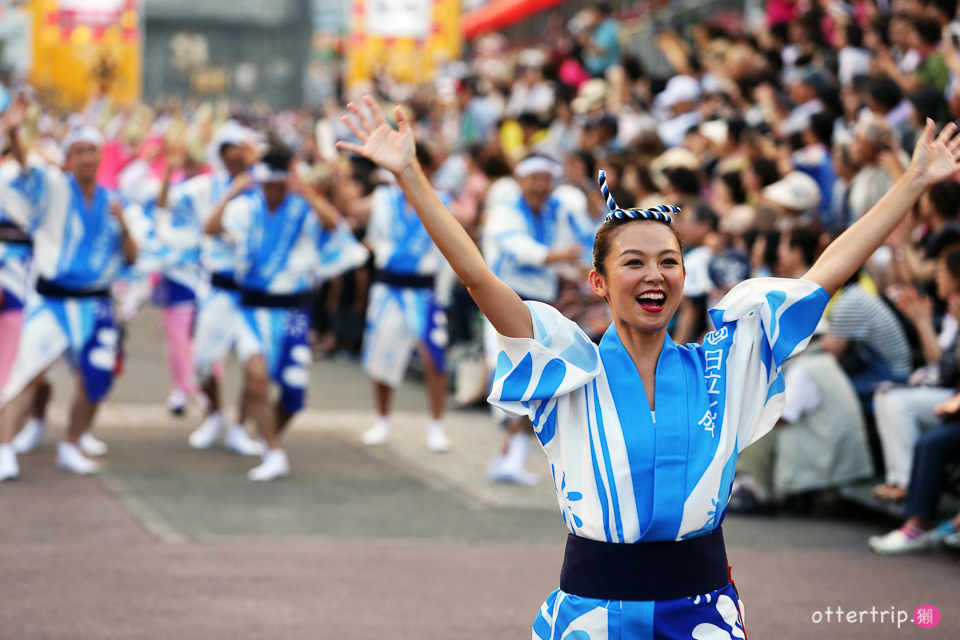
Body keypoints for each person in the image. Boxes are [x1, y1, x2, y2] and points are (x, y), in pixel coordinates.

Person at [338, 95, 960, 638]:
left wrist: (911, 184)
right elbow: (477, 277)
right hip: (590, 613)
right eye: (633, 262)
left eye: (669, 261)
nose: (654, 274)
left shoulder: (725, 362)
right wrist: (411, 175)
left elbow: (824, 274)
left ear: (685, 277)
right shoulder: (569, 366)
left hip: (702, 614)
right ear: (599, 282)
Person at [206, 145, 367, 481]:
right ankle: (274, 451)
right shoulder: (245, 207)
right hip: (251, 308)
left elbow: (333, 224)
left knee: (293, 396)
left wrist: (307, 191)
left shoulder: (302, 208)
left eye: (279, 182)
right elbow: (210, 228)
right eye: (268, 182)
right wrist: (231, 192)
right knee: (257, 379)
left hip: (293, 311)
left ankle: (268, 438)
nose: (273, 189)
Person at [0, 113, 139, 481]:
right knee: (27, 374)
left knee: (96, 378)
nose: (86, 158)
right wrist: (14, 132)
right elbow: (27, 166)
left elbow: (133, 257)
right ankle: (4, 448)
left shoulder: (115, 201)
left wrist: (124, 224)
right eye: (78, 151)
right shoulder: (53, 189)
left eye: (92, 150)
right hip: (53, 301)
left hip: (96, 303)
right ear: (68, 159)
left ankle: (72, 444)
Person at [157, 126, 263, 456]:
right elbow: (165, 203)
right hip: (216, 285)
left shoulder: (264, 185)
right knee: (203, 358)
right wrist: (171, 169)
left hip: (255, 288)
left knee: (254, 363)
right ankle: (215, 415)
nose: (235, 156)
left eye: (241, 150)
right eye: (229, 150)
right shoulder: (207, 186)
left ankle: (241, 426)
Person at [360, 145, 452, 452]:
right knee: (381, 354)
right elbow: (354, 212)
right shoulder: (384, 199)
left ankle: (437, 425)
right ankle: (382, 419)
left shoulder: (441, 199)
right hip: (388, 289)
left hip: (424, 290)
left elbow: (466, 217)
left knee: (433, 357)